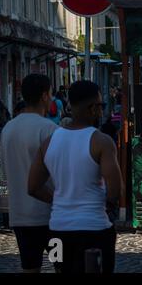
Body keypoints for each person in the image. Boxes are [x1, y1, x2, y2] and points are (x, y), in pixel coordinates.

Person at [28, 81, 123, 273]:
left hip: (57, 230)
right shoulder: (101, 142)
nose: (101, 111)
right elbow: (115, 190)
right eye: (101, 106)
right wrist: (107, 205)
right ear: (93, 109)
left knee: (62, 271)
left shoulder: (49, 142)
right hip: (94, 228)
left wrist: (59, 201)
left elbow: (33, 187)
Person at [0, 74, 58, 273]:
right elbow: (59, 172)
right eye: (50, 93)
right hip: (49, 216)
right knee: (61, 264)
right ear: (44, 96)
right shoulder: (49, 129)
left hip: (20, 215)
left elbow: (4, 172)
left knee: (30, 267)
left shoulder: (8, 128)